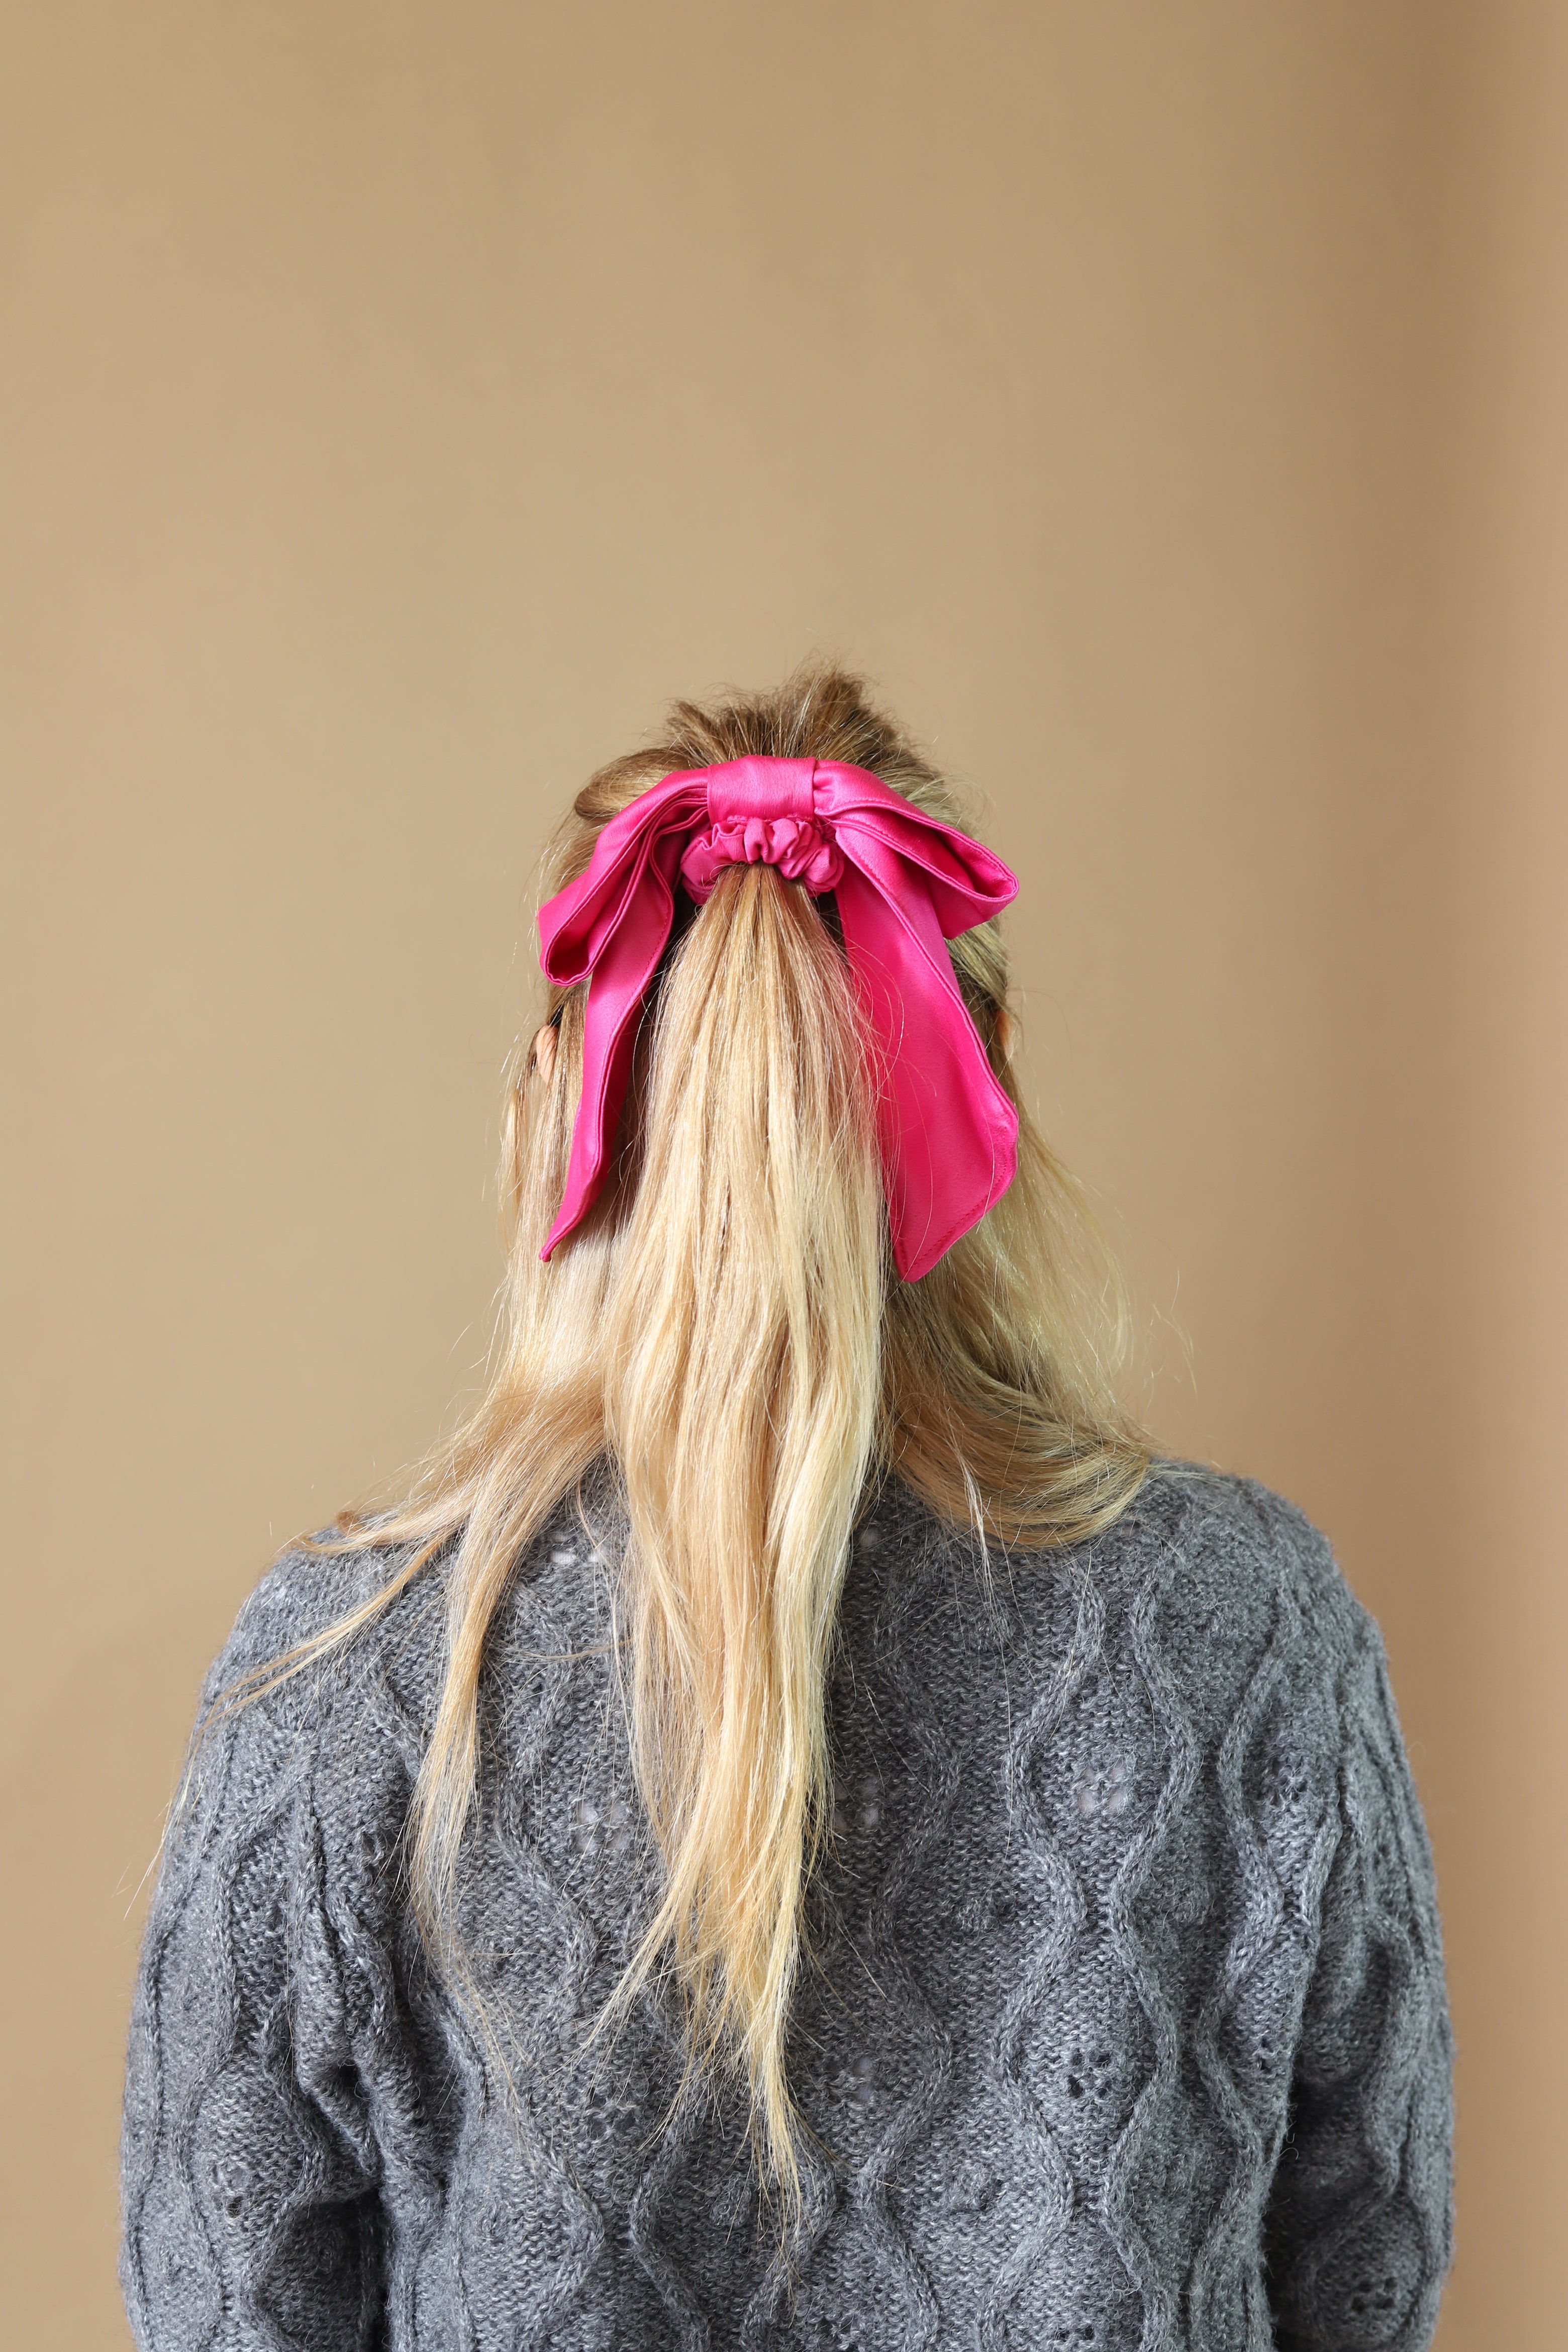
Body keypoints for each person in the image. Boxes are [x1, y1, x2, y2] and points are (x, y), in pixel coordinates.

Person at [120, 667, 1453, 2350]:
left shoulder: (342, 1675)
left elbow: (225, 2308)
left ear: (558, 1105)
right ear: (990, 1082)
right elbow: (1367, 2267)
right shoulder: (1253, 1629)